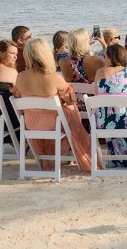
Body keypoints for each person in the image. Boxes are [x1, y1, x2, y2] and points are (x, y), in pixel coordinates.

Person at [14, 38, 93, 171]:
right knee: (72, 111)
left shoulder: (20, 77)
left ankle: (58, 154)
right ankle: (76, 153)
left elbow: (19, 96)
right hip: (53, 124)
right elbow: (70, 100)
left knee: (66, 112)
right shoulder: (54, 77)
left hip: (31, 123)